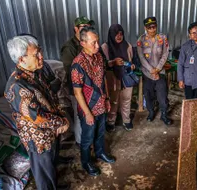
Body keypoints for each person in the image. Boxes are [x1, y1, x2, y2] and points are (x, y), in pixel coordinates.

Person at [5, 35, 70, 190]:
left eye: (40, 51)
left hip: (51, 132)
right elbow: (38, 117)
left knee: (51, 167)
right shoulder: (17, 86)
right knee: (44, 175)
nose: (41, 56)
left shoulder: (36, 72)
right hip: (38, 139)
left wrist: (60, 116)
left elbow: (51, 97)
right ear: (21, 59)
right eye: (36, 54)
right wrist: (62, 122)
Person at [71, 26, 115, 176]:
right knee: (87, 137)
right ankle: (86, 162)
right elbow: (77, 93)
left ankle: (100, 152)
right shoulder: (77, 64)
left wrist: (107, 98)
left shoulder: (99, 58)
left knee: (101, 133)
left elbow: (103, 80)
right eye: (93, 43)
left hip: (101, 104)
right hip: (88, 108)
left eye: (97, 42)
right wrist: (87, 113)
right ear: (83, 43)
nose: (97, 46)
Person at [60, 16, 95, 146]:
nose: (86, 29)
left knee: (89, 115)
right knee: (80, 116)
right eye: (83, 27)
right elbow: (71, 71)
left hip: (90, 88)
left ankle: (88, 139)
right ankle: (80, 143)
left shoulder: (90, 43)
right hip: (78, 89)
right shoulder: (69, 47)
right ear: (75, 29)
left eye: (88, 26)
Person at [137, 17, 171, 125]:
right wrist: (152, 70)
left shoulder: (163, 38)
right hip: (147, 73)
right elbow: (141, 57)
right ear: (145, 28)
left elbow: (165, 54)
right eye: (149, 27)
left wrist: (158, 68)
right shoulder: (141, 40)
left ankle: (164, 115)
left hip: (160, 72)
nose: (152, 29)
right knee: (148, 94)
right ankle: (151, 112)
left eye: (154, 26)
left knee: (162, 94)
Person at [101, 24, 135, 132]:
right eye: (116, 34)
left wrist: (131, 65)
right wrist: (113, 62)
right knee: (113, 101)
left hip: (126, 76)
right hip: (112, 77)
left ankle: (126, 120)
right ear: (111, 34)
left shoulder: (128, 46)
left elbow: (131, 60)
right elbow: (102, 64)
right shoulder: (105, 47)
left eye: (121, 34)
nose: (119, 36)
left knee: (126, 99)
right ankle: (111, 121)